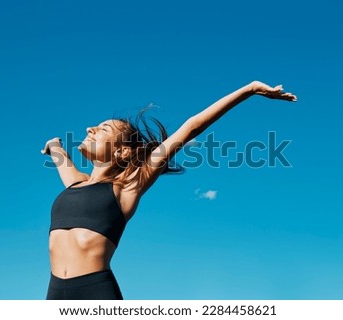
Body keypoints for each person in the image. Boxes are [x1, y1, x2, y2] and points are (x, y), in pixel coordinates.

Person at [41, 80, 297, 299]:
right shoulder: (75, 182)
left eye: (103, 129)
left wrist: (249, 89)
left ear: (122, 151)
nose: (90, 129)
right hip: (54, 291)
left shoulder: (128, 186)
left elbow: (190, 127)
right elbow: (59, 154)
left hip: (94, 289)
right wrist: (53, 146)